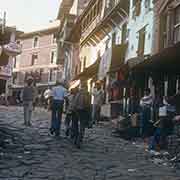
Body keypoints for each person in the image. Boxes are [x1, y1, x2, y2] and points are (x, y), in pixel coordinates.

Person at [73, 82, 91, 148]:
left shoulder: (78, 93)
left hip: (77, 110)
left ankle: (76, 138)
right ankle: (80, 138)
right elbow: (88, 104)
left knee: (76, 125)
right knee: (82, 125)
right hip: (84, 110)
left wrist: (74, 109)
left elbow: (74, 103)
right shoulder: (87, 93)